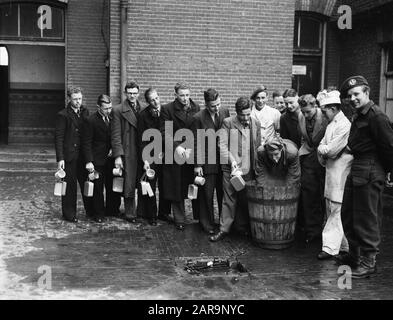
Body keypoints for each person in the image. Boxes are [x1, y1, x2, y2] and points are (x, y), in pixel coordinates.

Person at [338, 75, 393, 278]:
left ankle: (369, 262)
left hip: (370, 169)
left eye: (356, 94)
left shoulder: (376, 116)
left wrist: (386, 171)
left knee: (366, 218)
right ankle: (355, 256)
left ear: (367, 92)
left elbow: (389, 146)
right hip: (358, 167)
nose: (353, 98)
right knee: (348, 214)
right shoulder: (359, 115)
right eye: (350, 95)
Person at [210, 97, 262, 242]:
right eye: (242, 115)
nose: (245, 118)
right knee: (229, 199)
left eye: (247, 114)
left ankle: (243, 228)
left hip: (249, 169)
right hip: (231, 169)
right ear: (237, 112)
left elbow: (258, 147)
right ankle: (224, 229)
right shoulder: (228, 123)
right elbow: (222, 145)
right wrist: (232, 162)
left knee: (246, 199)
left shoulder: (256, 123)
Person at [315, 89, 352, 260]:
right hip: (331, 171)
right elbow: (322, 146)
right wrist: (324, 150)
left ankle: (329, 248)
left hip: (340, 172)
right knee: (332, 208)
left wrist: (324, 150)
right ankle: (344, 246)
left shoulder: (345, 125)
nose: (323, 115)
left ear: (333, 108)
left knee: (336, 209)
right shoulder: (331, 125)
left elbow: (331, 150)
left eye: (325, 111)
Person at [160, 82, 200, 231]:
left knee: (192, 184)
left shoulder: (196, 108)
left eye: (187, 95)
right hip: (175, 154)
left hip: (190, 152)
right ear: (175, 95)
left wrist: (191, 148)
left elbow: (198, 132)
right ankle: (180, 218)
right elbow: (165, 133)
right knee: (176, 187)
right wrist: (178, 147)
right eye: (182, 95)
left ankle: (198, 217)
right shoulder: (167, 109)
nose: (185, 98)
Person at [191, 88, 230, 234]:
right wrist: (197, 164)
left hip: (222, 161)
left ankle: (222, 223)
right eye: (213, 105)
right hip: (206, 162)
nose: (217, 107)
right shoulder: (198, 118)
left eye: (218, 104)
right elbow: (195, 142)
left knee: (223, 193)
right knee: (206, 195)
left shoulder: (225, 112)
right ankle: (207, 224)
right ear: (206, 104)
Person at [54, 86, 93, 222]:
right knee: (69, 186)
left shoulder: (85, 112)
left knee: (87, 183)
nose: (78, 102)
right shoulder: (63, 115)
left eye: (80, 99)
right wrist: (60, 159)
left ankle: (91, 211)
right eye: (75, 99)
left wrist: (90, 157)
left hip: (83, 155)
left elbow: (88, 133)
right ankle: (69, 214)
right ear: (69, 99)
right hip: (69, 156)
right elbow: (58, 138)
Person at [82, 94, 121, 222]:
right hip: (97, 161)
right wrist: (89, 161)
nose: (109, 111)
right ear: (98, 107)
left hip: (110, 159)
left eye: (110, 107)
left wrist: (114, 150)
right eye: (106, 108)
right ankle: (98, 214)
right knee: (98, 188)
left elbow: (115, 136)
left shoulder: (113, 118)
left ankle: (112, 210)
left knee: (112, 186)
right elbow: (86, 143)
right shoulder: (90, 120)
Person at [137, 88, 171, 225]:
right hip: (150, 155)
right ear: (148, 102)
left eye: (157, 98)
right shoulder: (143, 115)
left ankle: (164, 213)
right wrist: (145, 159)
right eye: (152, 100)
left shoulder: (166, 111)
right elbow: (141, 139)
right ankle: (151, 215)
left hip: (166, 154)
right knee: (151, 185)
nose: (156, 101)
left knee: (165, 184)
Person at [298, 94, 328, 243]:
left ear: (315, 107)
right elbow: (304, 138)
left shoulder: (326, 117)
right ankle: (313, 232)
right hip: (309, 159)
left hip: (325, 160)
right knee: (309, 196)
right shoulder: (301, 116)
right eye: (303, 112)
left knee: (324, 197)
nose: (305, 115)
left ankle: (326, 232)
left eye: (308, 112)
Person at [111, 80, 141, 223]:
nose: (132, 96)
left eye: (135, 93)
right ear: (125, 93)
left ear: (138, 93)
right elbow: (115, 135)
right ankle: (130, 213)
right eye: (129, 93)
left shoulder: (144, 108)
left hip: (142, 150)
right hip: (128, 151)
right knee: (128, 183)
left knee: (143, 180)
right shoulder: (118, 110)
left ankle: (143, 211)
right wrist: (118, 156)